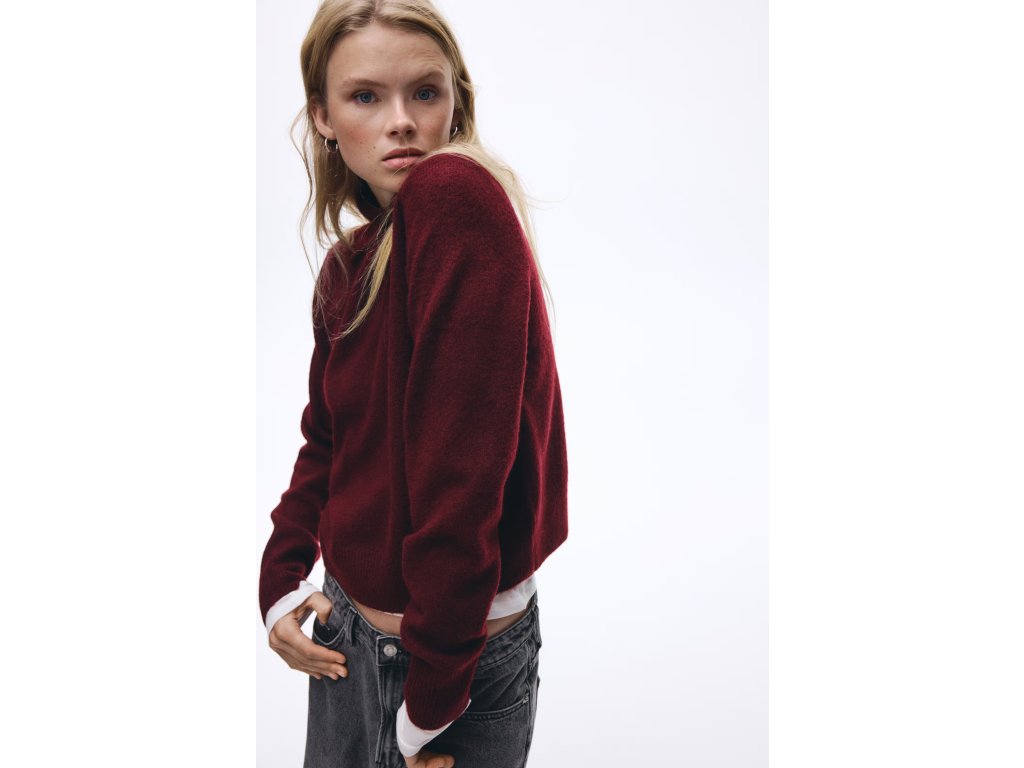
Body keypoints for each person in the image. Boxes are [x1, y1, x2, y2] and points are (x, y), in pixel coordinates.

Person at [258, 2, 569, 767]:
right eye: (366, 96)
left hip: (448, 667)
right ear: (323, 116)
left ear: (455, 100)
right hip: (347, 639)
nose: (401, 121)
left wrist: (429, 705)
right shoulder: (348, 267)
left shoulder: (457, 197)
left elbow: (463, 477)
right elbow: (328, 439)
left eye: (424, 92)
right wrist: (282, 579)